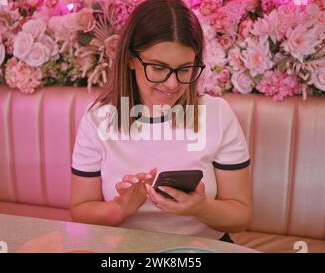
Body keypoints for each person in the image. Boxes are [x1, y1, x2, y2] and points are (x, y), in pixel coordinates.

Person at [70, 0, 252, 243]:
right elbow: (80, 210)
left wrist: (201, 208)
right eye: (158, 68)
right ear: (130, 60)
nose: (172, 84)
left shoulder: (217, 114)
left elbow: (241, 216)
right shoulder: (98, 120)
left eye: (185, 69)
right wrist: (120, 208)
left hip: (201, 249)